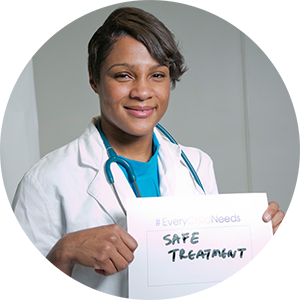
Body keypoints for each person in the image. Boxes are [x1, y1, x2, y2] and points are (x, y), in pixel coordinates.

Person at [13, 6, 285, 300]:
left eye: (157, 75)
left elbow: (210, 272)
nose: (142, 92)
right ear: (94, 78)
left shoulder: (196, 164)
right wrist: (61, 257)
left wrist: (254, 242)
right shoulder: (45, 182)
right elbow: (16, 289)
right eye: (123, 76)